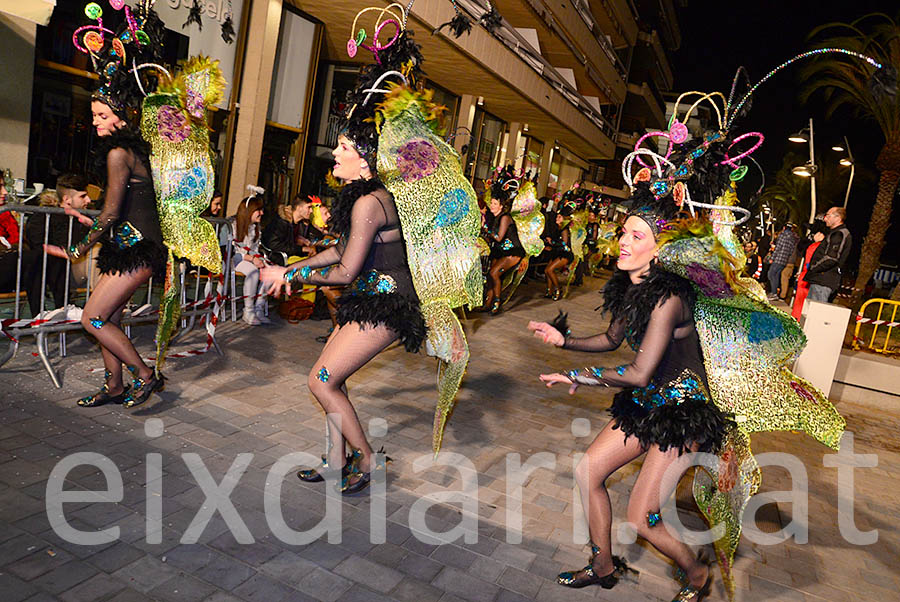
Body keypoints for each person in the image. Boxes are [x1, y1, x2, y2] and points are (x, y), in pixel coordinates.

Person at [528, 187, 727, 599]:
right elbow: (610, 339)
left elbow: (637, 373)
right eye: (624, 231)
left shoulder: (668, 298)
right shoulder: (631, 287)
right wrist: (564, 340)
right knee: (588, 471)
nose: (623, 241)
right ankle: (602, 565)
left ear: (659, 250)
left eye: (637, 236)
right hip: (648, 402)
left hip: (680, 411)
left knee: (642, 519)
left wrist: (578, 377)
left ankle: (696, 573)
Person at [43, 2, 168, 408]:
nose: (94, 121)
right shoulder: (135, 151)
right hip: (131, 246)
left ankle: (145, 375)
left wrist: (78, 247)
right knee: (107, 318)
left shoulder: (119, 153)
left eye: (100, 115)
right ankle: (114, 386)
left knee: (91, 318)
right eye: (93, 114)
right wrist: (87, 218)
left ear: (118, 116)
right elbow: (123, 209)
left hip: (137, 249)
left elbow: (113, 213)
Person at [482, 181, 525, 314]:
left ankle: (497, 302)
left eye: (495, 204)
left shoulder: (505, 217)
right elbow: (492, 238)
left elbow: (499, 237)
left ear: (501, 206)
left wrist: (485, 229)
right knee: (490, 275)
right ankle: (488, 303)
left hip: (512, 252)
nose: (491, 206)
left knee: (494, 273)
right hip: (500, 251)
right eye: (491, 203)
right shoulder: (495, 217)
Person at [230, 196, 271, 325]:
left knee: (270, 271)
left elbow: (255, 248)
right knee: (252, 271)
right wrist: (252, 259)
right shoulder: (233, 225)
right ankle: (248, 310)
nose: (262, 213)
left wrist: (259, 259)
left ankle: (259, 307)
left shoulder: (256, 228)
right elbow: (234, 250)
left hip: (250, 258)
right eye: (258, 210)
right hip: (235, 259)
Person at [804, 206, 852, 303]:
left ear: (838, 218)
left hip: (823, 281)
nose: (825, 218)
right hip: (820, 279)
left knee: (815, 313)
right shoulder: (835, 233)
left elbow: (831, 258)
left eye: (828, 215)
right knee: (808, 314)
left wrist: (814, 267)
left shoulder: (839, 234)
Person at [261, 194, 316, 264]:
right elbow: (274, 244)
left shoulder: (301, 223)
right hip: (278, 260)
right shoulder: (281, 222)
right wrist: (301, 249)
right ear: (299, 208)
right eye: (309, 207)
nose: (311, 211)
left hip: (292, 258)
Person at [792, 221, 827, 319]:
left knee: (800, 303)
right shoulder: (824, 248)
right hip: (813, 278)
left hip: (806, 278)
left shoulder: (813, 247)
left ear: (820, 234)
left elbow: (808, 263)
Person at [544, 205, 575, 300]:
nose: (557, 218)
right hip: (556, 253)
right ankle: (549, 291)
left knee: (550, 270)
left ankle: (558, 289)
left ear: (564, 219)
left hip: (565, 254)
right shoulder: (556, 228)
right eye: (557, 216)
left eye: (559, 217)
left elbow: (564, 243)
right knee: (547, 271)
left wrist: (552, 242)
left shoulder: (564, 229)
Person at [766, 222, 798, 300]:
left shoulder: (782, 236)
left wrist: (772, 258)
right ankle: (774, 293)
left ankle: (774, 293)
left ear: (784, 228)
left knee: (770, 274)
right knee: (776, 275)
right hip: (784, 260)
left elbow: (777, 249)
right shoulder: (793, 238)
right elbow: (791, 251)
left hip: (778, 259)